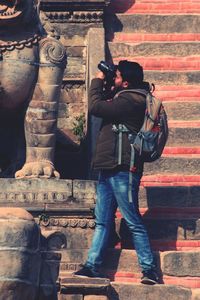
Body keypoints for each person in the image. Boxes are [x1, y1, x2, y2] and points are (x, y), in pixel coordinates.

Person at [74, 60, 159, 285]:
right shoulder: (124, 96)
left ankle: (149, 270)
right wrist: (110, 85)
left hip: (123, 169)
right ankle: (92, 266)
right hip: (109, 166)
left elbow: (96, 107)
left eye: (118, 76)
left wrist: (97, 80)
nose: (115, 78)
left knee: (133, 221)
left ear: (127, 82)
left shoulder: (132, 100)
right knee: (102, 221)